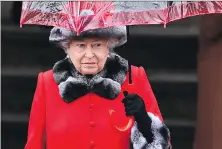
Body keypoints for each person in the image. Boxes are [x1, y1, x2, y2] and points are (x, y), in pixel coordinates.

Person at [24, 25, 171, 149]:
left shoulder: (134, 78)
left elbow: (163, 145)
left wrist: (144, 120)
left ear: (109, 46)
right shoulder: (47, 82)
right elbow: (34, 144)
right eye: (81, 46)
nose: (89, 55)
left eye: (97, 45)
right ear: (67, 48)